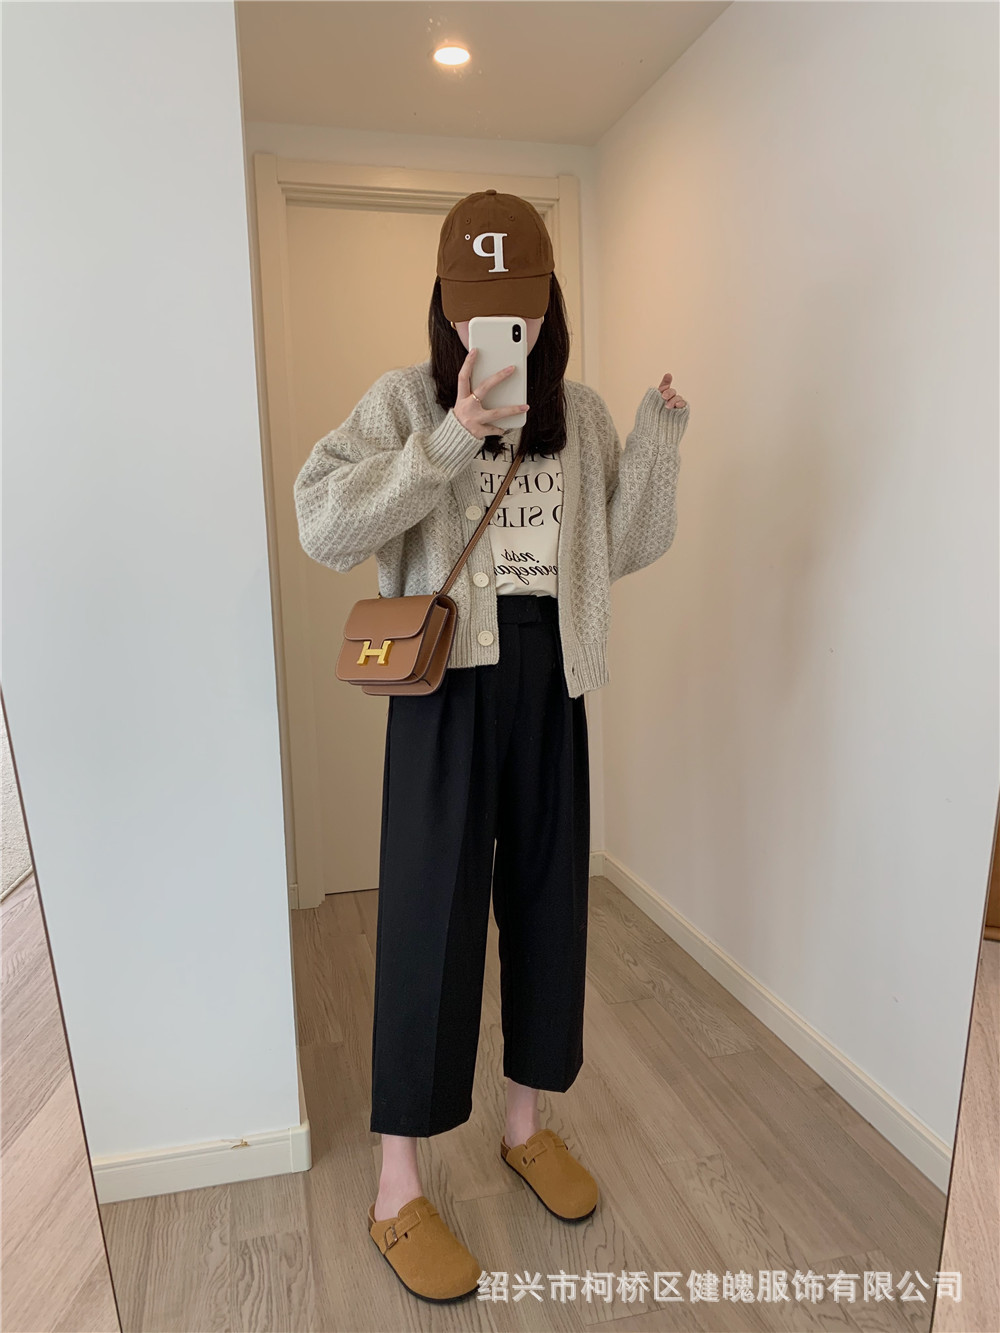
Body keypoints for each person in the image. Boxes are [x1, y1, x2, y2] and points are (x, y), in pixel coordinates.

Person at [293, 189, 690, 1303]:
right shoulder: (403, 401)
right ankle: (396, 1184)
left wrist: (659, 439)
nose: (492, 327)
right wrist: (448, 440)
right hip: (443, 685)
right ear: (445, 303)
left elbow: (624, 543)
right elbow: (324, 522)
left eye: (514, 306)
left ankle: (525, 1122)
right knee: (429, 919)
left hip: (549, 679)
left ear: (546, 306)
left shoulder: (581, 415)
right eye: (474, 305)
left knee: (549, 901)